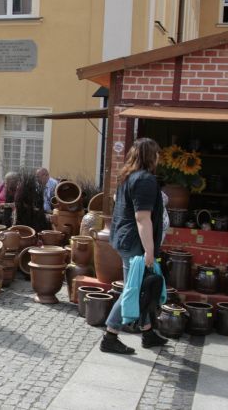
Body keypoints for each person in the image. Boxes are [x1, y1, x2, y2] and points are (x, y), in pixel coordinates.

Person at [100, 137, 168, 355]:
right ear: (150, 155)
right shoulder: (145, 180)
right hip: (135, 243)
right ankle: (110, 336)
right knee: (133, 288)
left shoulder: (128, 177)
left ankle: (147, 333)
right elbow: (142, 218)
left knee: (141, 285)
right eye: (156, 153)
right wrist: (149, 250)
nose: (159, 157)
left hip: (124, 239)